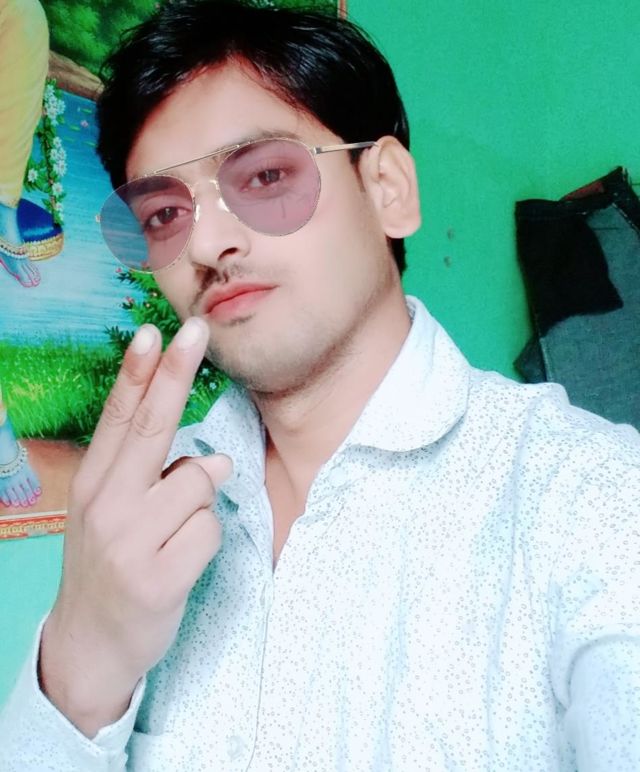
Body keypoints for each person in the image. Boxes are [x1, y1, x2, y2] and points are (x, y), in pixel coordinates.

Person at [1, 1, 639, 769]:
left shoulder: (591, 496)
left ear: (388, 189)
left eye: (267, 175)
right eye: (165, 214)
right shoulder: (144, 511)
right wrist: (82, 656)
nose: (207, 242)